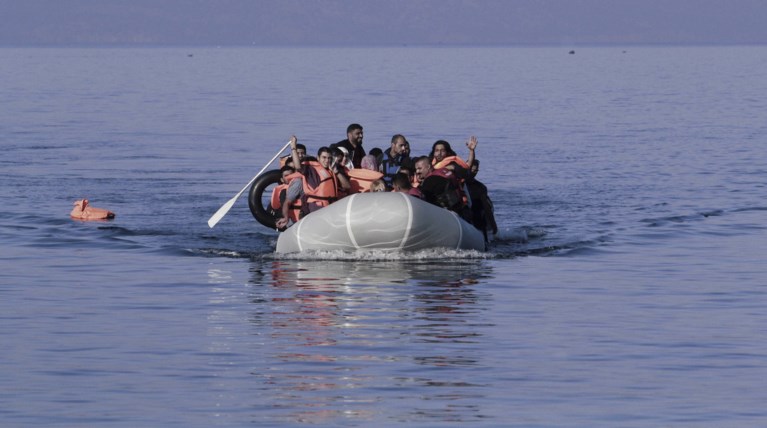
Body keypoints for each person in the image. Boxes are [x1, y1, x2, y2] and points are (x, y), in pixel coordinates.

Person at [275, 136, 351, 229]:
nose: (327, 160)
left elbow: (347, 186)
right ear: (318, 158)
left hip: (330, 211)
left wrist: (336, 172)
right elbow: (298, 167)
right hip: (315, 211)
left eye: (329, 158)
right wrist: (293, 147)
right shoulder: (311, 169)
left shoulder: (332, 171)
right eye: (324, 157)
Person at [414, 156, 472, 223]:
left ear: (428, 167)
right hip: (463, 209)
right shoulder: (445, 171)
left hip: (450, 215)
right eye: (416, 169)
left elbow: (424, 202)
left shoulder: (429, 181)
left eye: (419, 168)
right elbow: (465, 173)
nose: (417, 171)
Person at [465, 160, 498, 241]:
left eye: (476, 170)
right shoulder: (458, 183)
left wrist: (493, 224)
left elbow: (486, 207)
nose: (473, 173)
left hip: (477, 216)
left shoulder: (480, 187)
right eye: (471, 170)